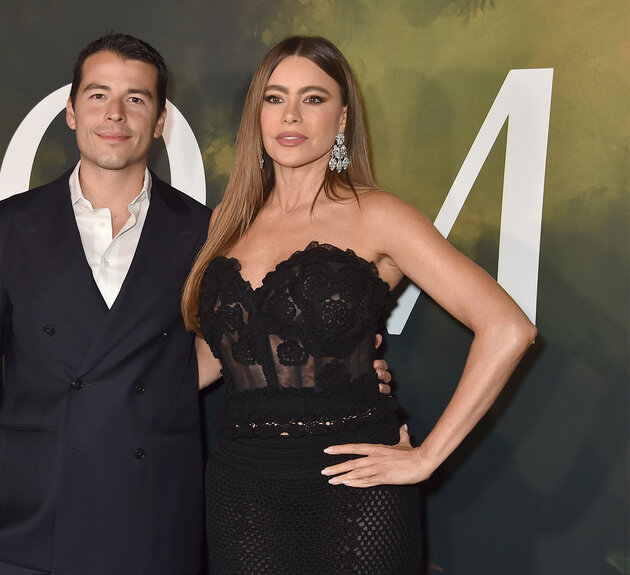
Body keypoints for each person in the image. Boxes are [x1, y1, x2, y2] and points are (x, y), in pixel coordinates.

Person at [0, 31, 397, 575]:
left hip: (152, 516)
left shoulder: (214, 233)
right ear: (69, 111)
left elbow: (250, 341)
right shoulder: (4, 229)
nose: (115, 115)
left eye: (136, 99)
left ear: (159, 121)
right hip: (24, 519)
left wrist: (343, 373)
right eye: (97, 95)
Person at [182, 36, 537, 575]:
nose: (292, 115)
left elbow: (507, 328)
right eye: (275, 98)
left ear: (342, 118)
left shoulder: (378, 215)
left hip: (353, 484)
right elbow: (217, 358)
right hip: (241, 486)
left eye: (314, 98)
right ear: (257, 114)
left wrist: (427, 457)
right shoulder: (225, 224)